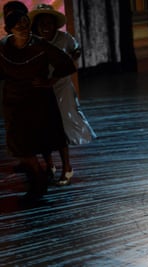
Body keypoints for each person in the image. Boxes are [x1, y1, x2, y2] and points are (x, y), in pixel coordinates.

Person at [0, 9, 76, 199]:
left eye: (26, 24)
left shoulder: (40, 45)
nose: (23, 28)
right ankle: (38, 178)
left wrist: (49, 81)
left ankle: (41, 182)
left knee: (47, 137)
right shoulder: (3, 47)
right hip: (14, 101)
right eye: (18, 25)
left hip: (39, 100)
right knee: (19, 144)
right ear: (8, 29)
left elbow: (67, 64)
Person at [29, 3, 97, 186]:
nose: (45, 26)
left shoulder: (64, 38)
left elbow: (76, 51)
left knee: (60, 127)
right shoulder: (33, 40)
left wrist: (67, 64)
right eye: (41, 23)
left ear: (54, 24)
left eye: (49, 23)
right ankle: (49, 165)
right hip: (40, 89)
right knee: (43, 128)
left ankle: (67, 166)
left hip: (61, 87)